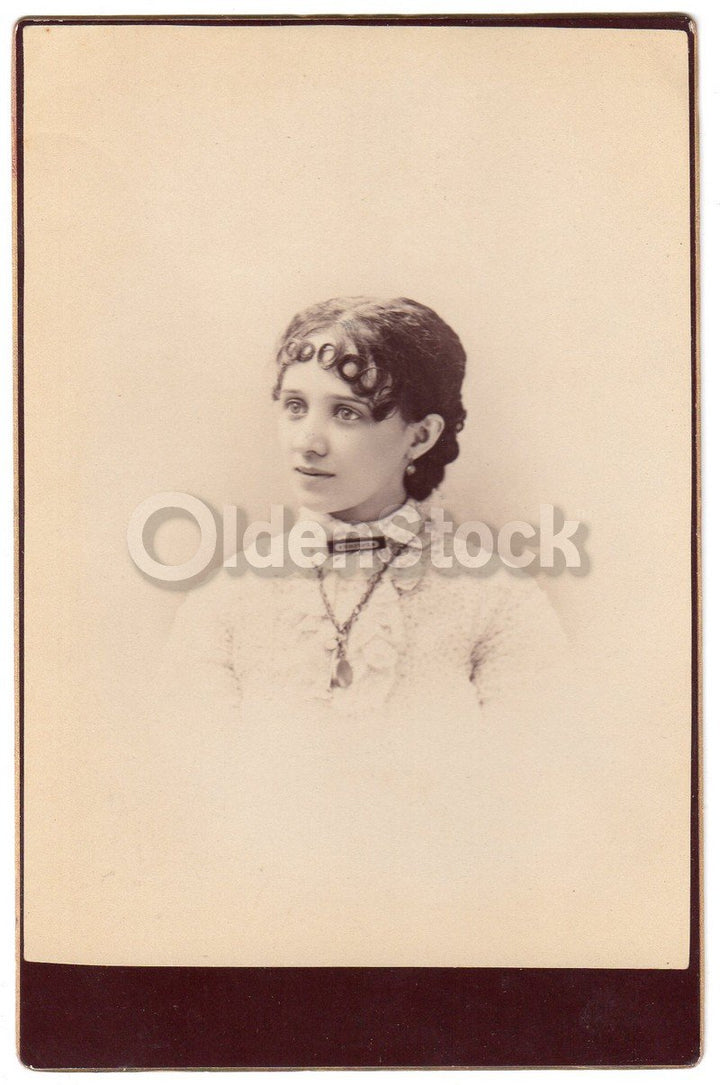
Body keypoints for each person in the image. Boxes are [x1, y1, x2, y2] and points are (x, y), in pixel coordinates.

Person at [155, 297, 573, 964]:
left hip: (447, 939)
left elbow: (538, 796)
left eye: (346, 413)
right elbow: (186, 800)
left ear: (420, 435)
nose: (307, 440)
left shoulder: (498, 598)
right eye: (295, 406)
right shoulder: (223, 599)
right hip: (258, 938)